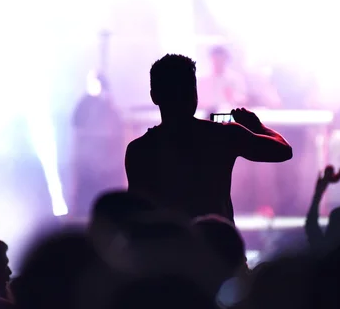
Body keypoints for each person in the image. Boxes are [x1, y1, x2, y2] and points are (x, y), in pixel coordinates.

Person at [125, 54, 293, 222]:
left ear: (154, 96)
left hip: (168, 245)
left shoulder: (139, 150)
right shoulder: (223, 135)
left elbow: (137, 212)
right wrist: (258, 127)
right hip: (218, 244)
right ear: (195, 94)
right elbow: (283, 150)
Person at [72, 71, 125, 217]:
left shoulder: (109, 107)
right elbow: (77, 122)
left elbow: (115, 131)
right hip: (89, 164)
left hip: (107, 166)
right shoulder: (86, 104)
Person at [197, 46, 248, 111]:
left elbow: (243, 101)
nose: (218, 62)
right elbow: (198, 101)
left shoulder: (235, 78)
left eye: (221, 59)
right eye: (216, 59)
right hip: (207, 115)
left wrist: (232, 97)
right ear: (211, 59)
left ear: (226, 59)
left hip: (229, 115)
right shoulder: (203, 79)